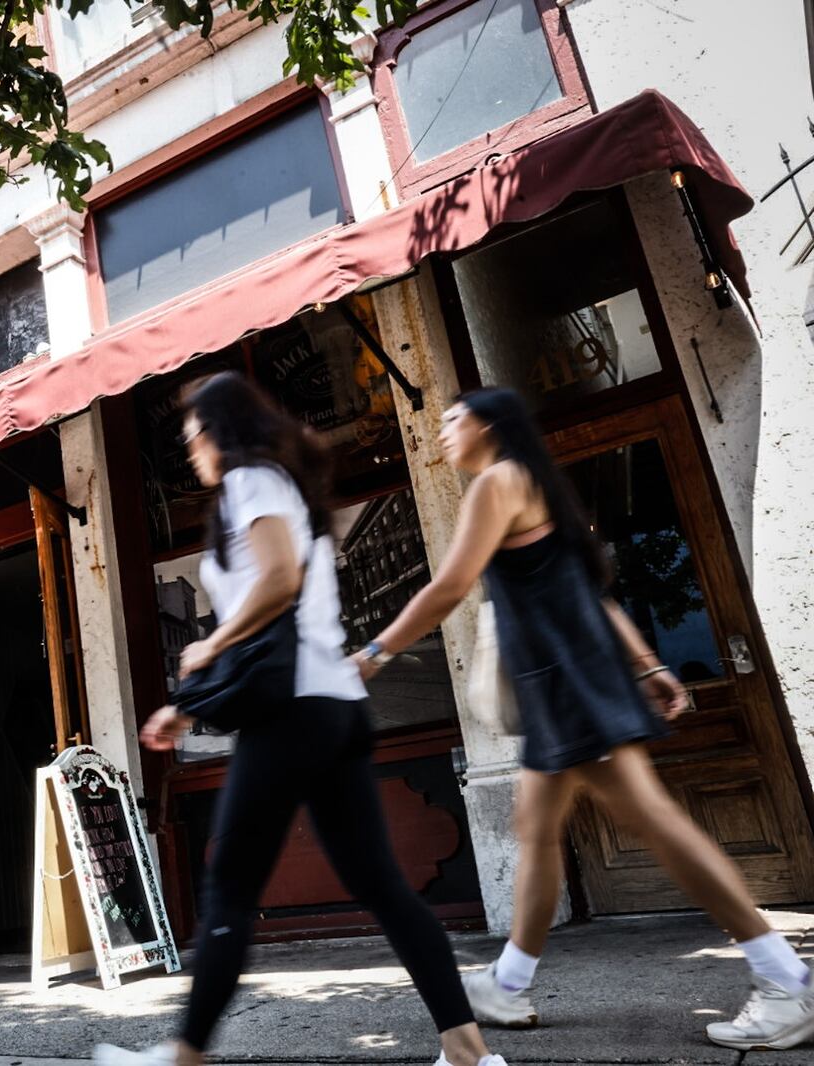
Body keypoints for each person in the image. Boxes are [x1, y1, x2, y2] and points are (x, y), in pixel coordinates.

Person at [355, 387, 814, 1052]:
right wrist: (651, 666)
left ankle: (786, 983)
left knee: (659, 826)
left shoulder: (496, 483)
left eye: (453, 419)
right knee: (535, 830)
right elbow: (595, 599)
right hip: (568, 683)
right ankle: (509, 985)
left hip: (566, 686)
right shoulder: (538, 486)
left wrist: (375, 651)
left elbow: (451, 585)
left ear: (489, 425)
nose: (443, 433)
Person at [95, 372, 505, 1066]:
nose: (189, 444)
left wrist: (209, 645)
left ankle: (185, 1054)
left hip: (291, 715)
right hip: (332, 706)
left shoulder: (249, 481)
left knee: (229, 887)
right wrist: (187, 706)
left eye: (194, 430)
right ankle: (468, 1051)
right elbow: (277, 623)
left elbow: (278, 587)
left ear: (220, 431)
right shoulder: (276, 487)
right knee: (382, 885)